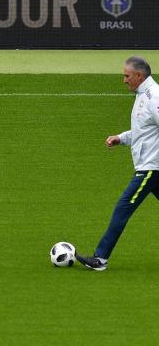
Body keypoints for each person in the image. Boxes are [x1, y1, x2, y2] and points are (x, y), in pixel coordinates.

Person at [76, 56, 159, 271]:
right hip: (150, 167)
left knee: (122, 208)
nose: (124, 80)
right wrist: (121, 138)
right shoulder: (142, 96)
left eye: (126, 76)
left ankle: (100, 259)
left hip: (151, 169)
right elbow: (143, 132)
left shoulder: (154, 97)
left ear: (139, 76)